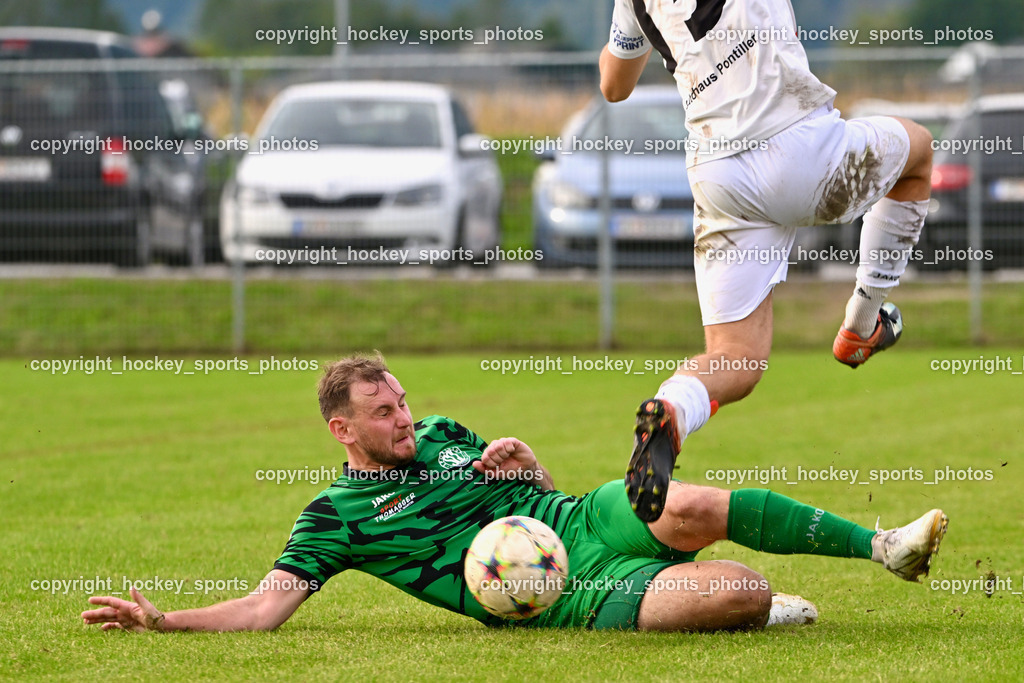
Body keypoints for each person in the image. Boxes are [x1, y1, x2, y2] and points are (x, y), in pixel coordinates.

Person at [82, 354, 947, 634]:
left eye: (404, 402)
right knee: (740, 593)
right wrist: (167, 620)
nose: (405, 419)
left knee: (675, 501)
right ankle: (760, 600)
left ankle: (886, 546)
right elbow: (265, 610)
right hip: (561, 590)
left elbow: (542, 494)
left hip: (573, 517)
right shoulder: (334, 517)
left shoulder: (450, 434)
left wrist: (531, 467)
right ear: (343, 430)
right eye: (384, 414)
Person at [600, 2, 936, 522]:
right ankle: (861, 324)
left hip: (718, 174)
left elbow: (614, 85)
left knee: (737, 359)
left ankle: (671, 410)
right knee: (918, 154)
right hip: (801, 148)